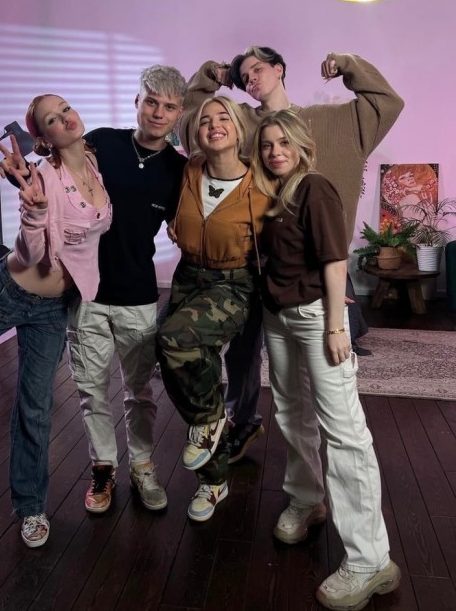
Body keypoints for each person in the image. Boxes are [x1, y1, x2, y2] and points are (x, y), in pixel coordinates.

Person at [180, 47, 404, 461]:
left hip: (323, 265)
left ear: (279, 69)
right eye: (243, 76)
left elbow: (386, 103)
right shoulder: (241, 122)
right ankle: (243, 423)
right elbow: (190, 124)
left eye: (257, 69)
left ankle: (342, 460)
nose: (251, 78)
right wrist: (208, 77)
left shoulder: (332, 120)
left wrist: (349, 64)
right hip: (258, 263)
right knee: (248, 355)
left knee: (332, 383)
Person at [0, 66, 188, 514]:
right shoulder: (100, 141)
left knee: (139, 392)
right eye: (151, 101)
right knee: (91, 391)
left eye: (169, 106)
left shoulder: (179, 170)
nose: (158, 113)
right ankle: (103, 467)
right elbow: (49, 167)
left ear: (179, 112)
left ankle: (142, 465)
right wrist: (17, 172)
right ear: (137, 101)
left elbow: (183, 225)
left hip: (139, 295)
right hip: (85, 292)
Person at [0, 94, 112, 548]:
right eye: (52, 119)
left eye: (65, 108)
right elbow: (32, 253)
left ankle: (31, 507)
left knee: (35, 406)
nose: (65, 118)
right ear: (43, 137)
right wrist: (34, 211)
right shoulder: (44, 176)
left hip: (53, 308)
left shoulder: (94, 164)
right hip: (7, 294)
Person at [251, 109, 400, 611]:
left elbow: (335, 261)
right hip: (277, 318)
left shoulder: (315, 188)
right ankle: (306, 498)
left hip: (317, 317)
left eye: (283, 142)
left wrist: (338, 326)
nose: (275, 151)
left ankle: (371, 559)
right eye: (267, 144)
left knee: (344, 431)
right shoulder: (271, 194)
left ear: (301, 145)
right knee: (291, 414)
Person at [156, 96, 270, 522]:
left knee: (176, 339)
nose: (214, 124)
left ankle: (208, 419)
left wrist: (326, 279)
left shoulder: (262, 181)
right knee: (173, 360)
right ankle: (214, 479)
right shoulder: (188, 170)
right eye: (205, 119)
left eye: (224, 117)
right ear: (195, 133)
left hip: (235, 282)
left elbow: (295, 227)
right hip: (188, 275)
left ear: (240, 129)